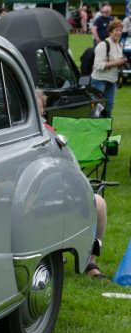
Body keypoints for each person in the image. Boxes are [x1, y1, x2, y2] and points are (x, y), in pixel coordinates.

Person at [35, 89, 109, 279]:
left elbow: (70, 166)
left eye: (41, 112)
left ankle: (91, 261)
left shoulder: (53, 136)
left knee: (99, 203)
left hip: (62, 192)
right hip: (37, 198)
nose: (40, 117)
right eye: (34, 112)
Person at [91, 20, 124, 117]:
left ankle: (106, 129)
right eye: (116, 30)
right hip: (99, 80)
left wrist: (121, 63)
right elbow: (97, 65)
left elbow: (115, 61)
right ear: (110, 32)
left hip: (112, 80)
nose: (118, 32)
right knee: (98, 107)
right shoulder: (103, 45)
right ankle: (95, 128)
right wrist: (116, 62)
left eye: (120, 30)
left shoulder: (119, 45)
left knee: (109, 106)